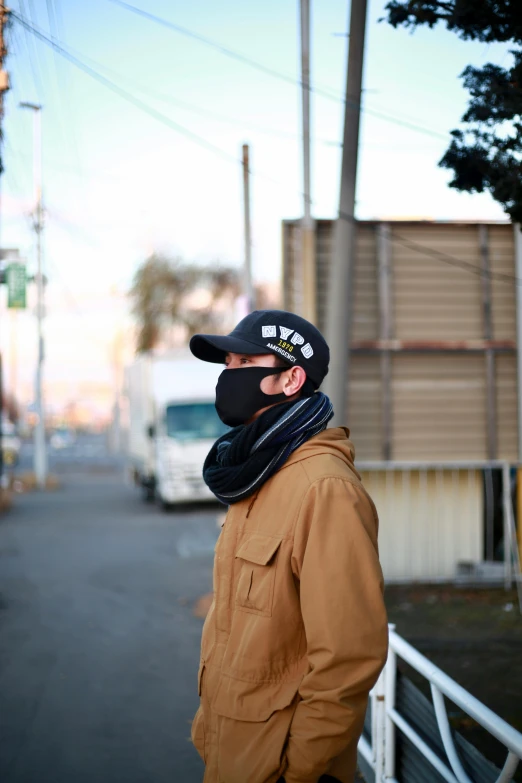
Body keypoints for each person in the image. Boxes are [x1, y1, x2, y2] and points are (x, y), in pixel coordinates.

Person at [189, 309, 388, 783]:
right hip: (233, 753)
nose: (227, 376)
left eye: (242, 363)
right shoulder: (257, 475)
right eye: (226, 364)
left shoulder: (323, 489)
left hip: (282, 769)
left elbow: (348, 657)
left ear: (291, 378)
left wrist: (302, 771)